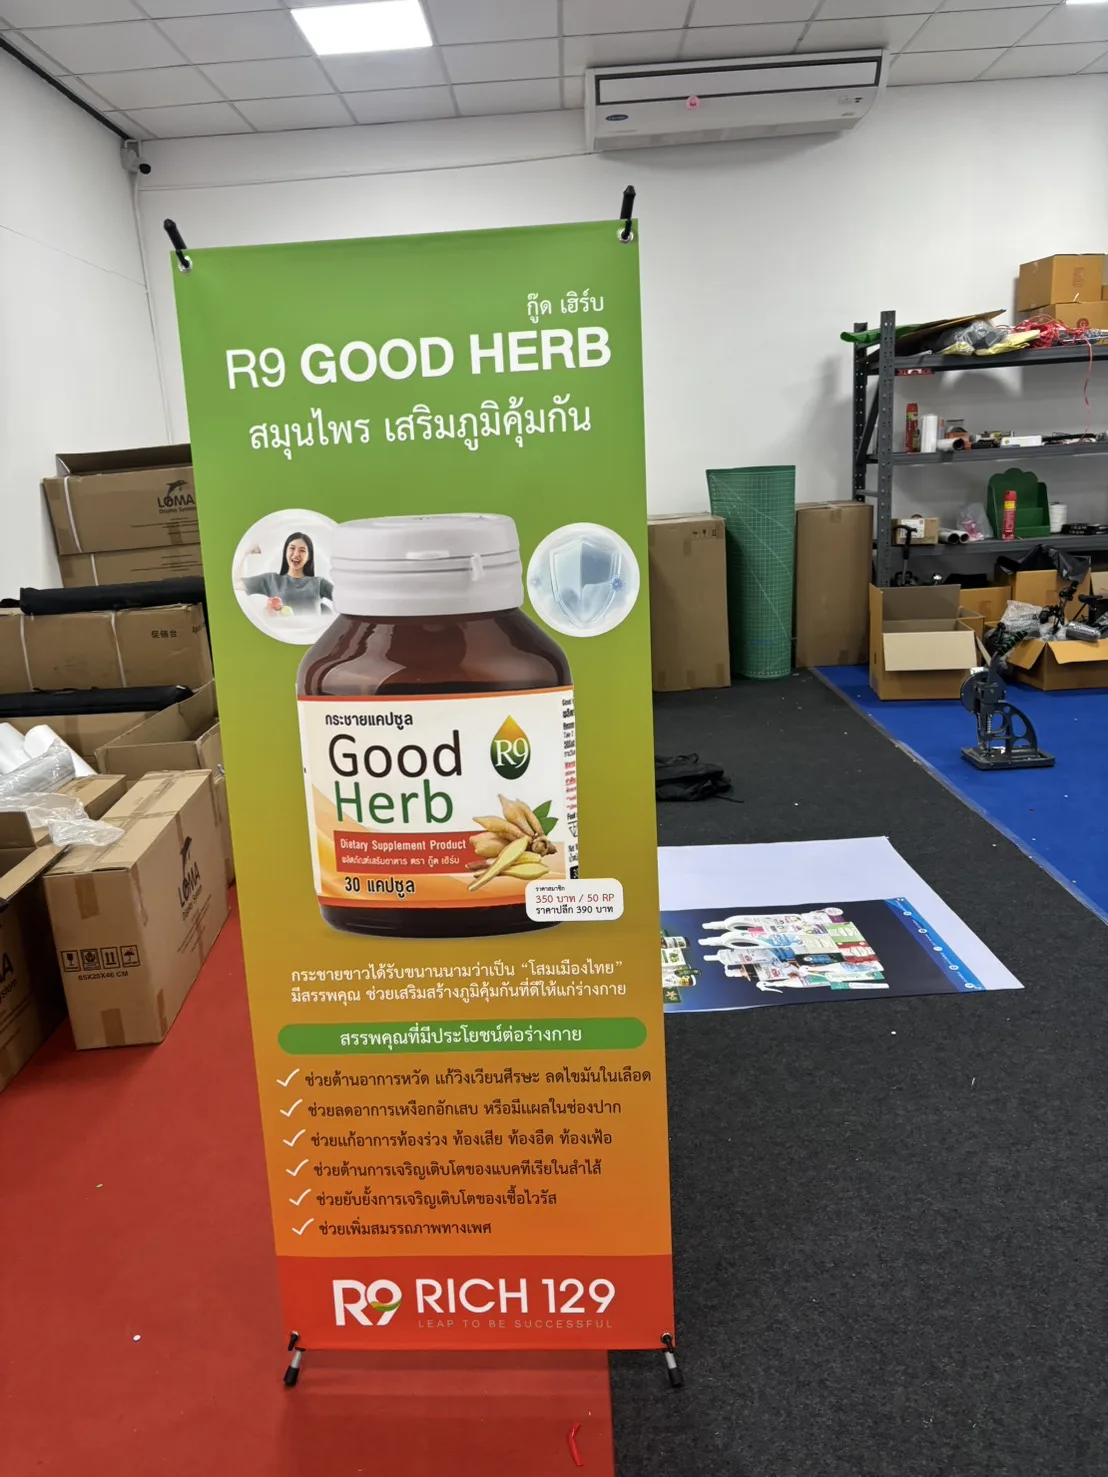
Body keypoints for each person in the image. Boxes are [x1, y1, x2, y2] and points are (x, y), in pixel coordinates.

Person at [235, 531, 334, 616]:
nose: (296, 554)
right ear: (285, 552)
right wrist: (245, 554)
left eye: (302, 550)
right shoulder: (271, 580)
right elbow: (236, 583)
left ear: (309, 557)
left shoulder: (319, 583)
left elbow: (342, 599)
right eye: (292, 548)